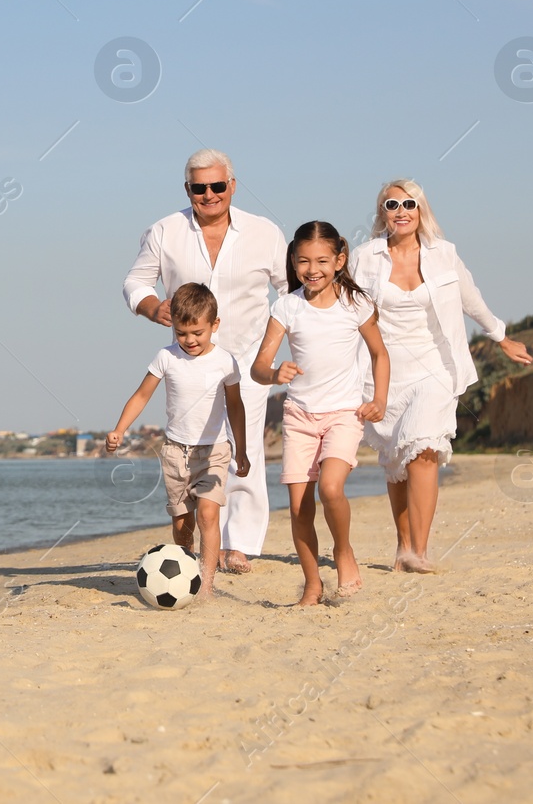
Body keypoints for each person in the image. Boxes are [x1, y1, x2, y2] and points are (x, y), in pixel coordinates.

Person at [348, 180, 533, 572]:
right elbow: (344, 308)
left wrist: (501, 337)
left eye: (409, 203)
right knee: (396, 459)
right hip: (383, 370)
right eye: (392, 204)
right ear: (382, 213)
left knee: (424, 447)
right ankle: (403, 547)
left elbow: (471, 298)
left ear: (420, 210)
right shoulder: (365, 257)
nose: (401, 211)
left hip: (435, 366)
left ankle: (420, 550)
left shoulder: (444, 254)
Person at [123, 149, 287, 574]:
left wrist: (283, 345)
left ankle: (240, 544)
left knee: (242, 445)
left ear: (232, 185)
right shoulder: (165, 230)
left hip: (247, 359)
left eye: (218, 185)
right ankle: (194, 537)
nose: (210, 194)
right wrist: (151, 306)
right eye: (200, 188)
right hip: (188, 361)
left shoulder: (264, 232)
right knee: (193, 444)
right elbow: (135, 281)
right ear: (188, 190)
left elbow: (291, 290)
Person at [252, 221, 389, 606]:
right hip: (299, 415)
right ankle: (313, 583)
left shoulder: (356, 304)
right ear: (293, 263)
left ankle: (343, 551)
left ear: (339, 260)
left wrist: (378, 399)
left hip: (344, 412)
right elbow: (258, 367)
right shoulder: (286, 306)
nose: (313, 270)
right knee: (299, 506)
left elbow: (380, 353)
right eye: (303, 262)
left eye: (323, 261)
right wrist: (275, 373)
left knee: (331, 488)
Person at [106, 283, 251, 598]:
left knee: (208, 515)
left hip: (215, 450)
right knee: (183, 524)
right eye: (182, 333)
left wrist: (241, 449)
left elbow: (235, 407)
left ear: (215, 325)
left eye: (197, 332)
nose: (190, 340)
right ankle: (186, 569)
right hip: (175, 453)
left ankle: (207, 585)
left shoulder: (226, 362)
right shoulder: (166, 357)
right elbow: (142, 395)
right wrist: (120, 428)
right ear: (173, 326)